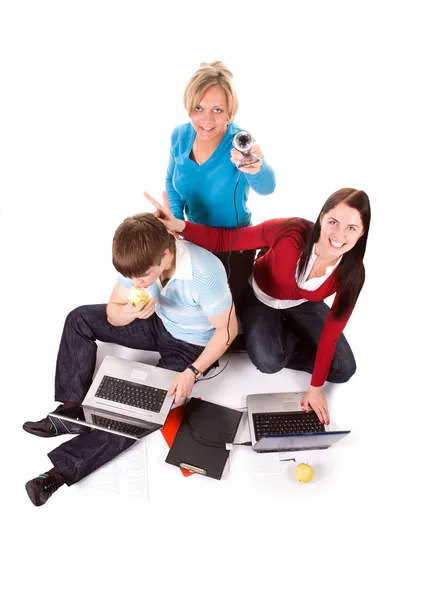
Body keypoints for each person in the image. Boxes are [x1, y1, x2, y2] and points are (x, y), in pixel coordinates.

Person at [22, 213, 237, 506]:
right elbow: (114, 310)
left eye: (141, 277)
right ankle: (71, 412)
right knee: (79, 319)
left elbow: (228, 331)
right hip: (155, 322)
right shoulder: (137, 257)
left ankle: (58, 474)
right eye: (131, 277)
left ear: (165, 253)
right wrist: (130, 314)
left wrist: (192, 371)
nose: (136, 282)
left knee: (142, 410)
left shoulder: (204, 272)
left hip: (191, 347)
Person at [146, 188, 371, 426]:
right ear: (322, 217)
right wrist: (180, 226)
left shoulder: (353, 273)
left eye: (351, 228)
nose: (339, 234)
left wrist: (316, 387)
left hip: (303, 303)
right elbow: (226, 240)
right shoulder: (292, 232)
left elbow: (331, 333)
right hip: (260, 295)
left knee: (344, 369)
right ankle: (273, 340)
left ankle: (280, 337)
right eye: (333, 222)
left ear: (362, 232)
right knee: (268, 361)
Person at [165, 60, 276, 304]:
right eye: (198, 108)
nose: (206, 120)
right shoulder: (180, 135)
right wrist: (175, 224)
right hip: (194, 239)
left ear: (230, 112)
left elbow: (267, 187)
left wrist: (256, 168)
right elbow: (172, 184)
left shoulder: (238, 142)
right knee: (186, 306)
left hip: (233, 246)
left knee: (221, 315)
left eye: (217, 110)